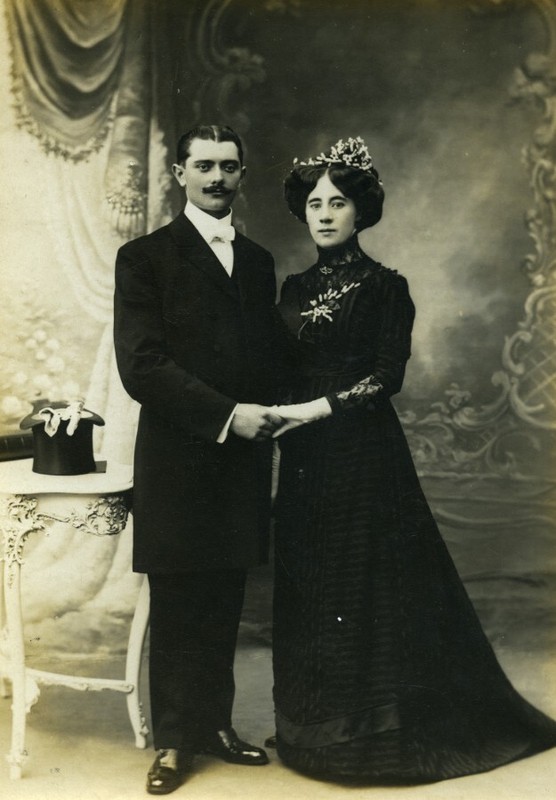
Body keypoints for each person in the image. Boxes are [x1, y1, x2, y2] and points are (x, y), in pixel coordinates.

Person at [269, 136, 556, 783]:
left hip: (364, 455)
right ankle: (312, 730)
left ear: (360, 211)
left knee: (361, 584)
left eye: (337, 202)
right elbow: (279, 369)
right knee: (311, 582)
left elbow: (385, 377)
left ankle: (363, 734)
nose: (324, 213)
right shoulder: (290, 289)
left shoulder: (385, 287)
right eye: (314, 202)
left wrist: (314, 409)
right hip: (304, 460)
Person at [113, 124, 283, 795]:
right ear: (179, 173)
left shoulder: (261, 261)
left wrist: (286, 407)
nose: (217, 178)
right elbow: (142, 367)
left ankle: (214, 726)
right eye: (204, 166)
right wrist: (226, 415)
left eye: (230, 167)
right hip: (181, 457)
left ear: (243, 175)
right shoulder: (144, 258)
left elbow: (266, 359)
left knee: (225, 595)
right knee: (181, 598)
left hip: (240, 460)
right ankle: (176, 743)